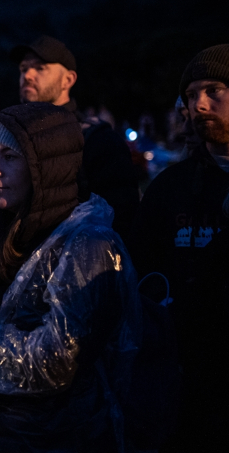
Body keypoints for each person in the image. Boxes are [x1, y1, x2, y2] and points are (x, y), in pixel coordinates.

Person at [0, 102, 141, 452]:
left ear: (45, 165)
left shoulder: (89, 245)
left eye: (10, 157)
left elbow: (56, 360)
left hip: (69, 439)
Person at [129, 44, 229, 452]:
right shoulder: (169, 189)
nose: (200, 103)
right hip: (184, 386)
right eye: (191, 95)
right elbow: (144, 273)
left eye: (214, 90)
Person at [10, 35, 139, 238]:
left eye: (40, 68)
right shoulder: (11, 139)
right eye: (23, 68)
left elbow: (120, 219)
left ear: (68, 80)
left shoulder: (97, 140)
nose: (27, 75)